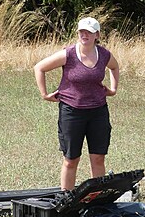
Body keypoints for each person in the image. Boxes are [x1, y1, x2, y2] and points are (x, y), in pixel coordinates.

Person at [34, 17, 119, 190]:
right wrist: (45, 94)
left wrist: (113, 89)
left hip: (98, 112)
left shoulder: (103, 54)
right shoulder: (69, 54)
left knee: (98, 158)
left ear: (97, 35)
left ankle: (98, 201)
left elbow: (115, 67)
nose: (84, 34)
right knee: (71, 159)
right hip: (72, 112)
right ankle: (67, 199)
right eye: (81, 31)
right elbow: (39, 68)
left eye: (89, 32)